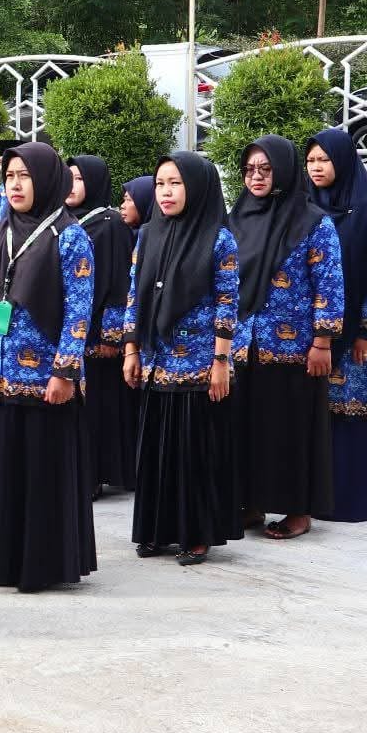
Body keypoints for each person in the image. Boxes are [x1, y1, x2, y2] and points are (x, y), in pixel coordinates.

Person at [0, 142, 95, 592]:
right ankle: (0, 559)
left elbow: (79, 312)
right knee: (1, 470)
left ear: (46, 180)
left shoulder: (70, 237)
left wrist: (64, 371)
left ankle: (42, 564)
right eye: (9, 176)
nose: (14, 184)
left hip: (43, 381)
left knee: (39, 473)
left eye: (25, 176)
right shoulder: (0, 231)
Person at [124, 152, 243, 566]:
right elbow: (134, 294)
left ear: (196, 187)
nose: (166, 192)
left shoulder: (219, 238)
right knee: (158, 452)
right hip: (157, 363)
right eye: (160, 184)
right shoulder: (148, 234)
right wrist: (131, 348)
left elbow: (229, 303)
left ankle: (197, 534)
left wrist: (221, 361)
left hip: (199, 364)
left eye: (175, 183)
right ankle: (158, 530)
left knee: (195, 453)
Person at [230, 135, 344, 540]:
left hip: (295, 348)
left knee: (291, 430)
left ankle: (299, 510)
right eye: (249, 170)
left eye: (265, 169)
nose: (256, 178)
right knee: (248, 429)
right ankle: (252, 503)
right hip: (244, 344)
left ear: (283, 170)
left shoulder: (313, 221)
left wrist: (322, 342)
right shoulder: (238, 217)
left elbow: (328, 285)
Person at [307, 127, 367, 523]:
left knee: (358, 415)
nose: (316, 167)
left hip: (360, 335)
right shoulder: (309, 208)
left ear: (342, 160)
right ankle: (323, 498)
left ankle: (358, 501)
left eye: (323, 159)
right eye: (310, 160)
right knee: (325, 418)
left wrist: (366, 332)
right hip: (321, 332)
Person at [67, 155, 138, 498]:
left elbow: (119, 282)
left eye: (79, 179)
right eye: (67, 178)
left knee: (98, 407)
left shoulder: (109, 223)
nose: (71, 185)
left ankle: (95, 473)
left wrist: (113, 336)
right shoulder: (68, 222)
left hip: (98, 336)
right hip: (72, 332)